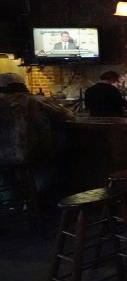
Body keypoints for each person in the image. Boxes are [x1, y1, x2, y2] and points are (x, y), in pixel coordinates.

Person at [0, 72, 75, 200]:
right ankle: (37, 199)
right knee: (60, 155)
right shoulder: (38, 100)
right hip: (34, 154)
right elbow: (68, 116)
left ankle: (12, 200)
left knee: (7, 173)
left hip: (3, 158)